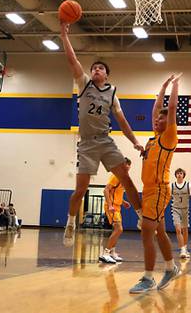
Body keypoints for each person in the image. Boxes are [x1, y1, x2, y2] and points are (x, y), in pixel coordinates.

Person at [60, 22, 144, 246]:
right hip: (86, 144)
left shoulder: (113, 93)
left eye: (100, 68)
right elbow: (72, 60)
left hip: (106, 142)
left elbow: (123, 121)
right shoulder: (84, 83)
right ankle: (70, 222)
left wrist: (135, 142)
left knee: (126, 179)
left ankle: (141, 216)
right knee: (80, 189)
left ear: (107, 75)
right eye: (94, 67)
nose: (96, 70)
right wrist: (63, 34)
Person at [129, 74, 182, 294]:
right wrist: (162, 86)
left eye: (160, 120)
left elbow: (168, 110)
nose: (157, 121)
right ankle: (170, 268)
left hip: (159, 190)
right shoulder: (153, 139)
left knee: (147, 232)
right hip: (149, 190)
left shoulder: (169, 137)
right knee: (159, 232)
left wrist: (175, 86)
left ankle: (148, 277)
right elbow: (156, 109)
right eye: (156, 120)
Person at [100, 157, 132, 264]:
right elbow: (106, 190)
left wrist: (124, 202)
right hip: (112, 207)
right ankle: (105, 253)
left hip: (117, 206)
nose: (127, 166)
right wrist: (109, 205)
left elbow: (116, 193)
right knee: (119, 229)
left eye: (128, 164)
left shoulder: (123, 178)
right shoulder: (115, 176)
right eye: (125, 164)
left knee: (117, 230)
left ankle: (112, 252)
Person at [171, 168, 191, 259]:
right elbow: (167, 197)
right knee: (178, 229)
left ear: (183, 175)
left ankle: (185, 248)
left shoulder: (188, 185)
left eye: (181, 173)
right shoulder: (172, 186)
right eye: (177, 173)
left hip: (185, 209)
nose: (179, 174)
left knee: (185, 229)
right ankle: (182, 249)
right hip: (175, 209)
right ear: (175, 175)